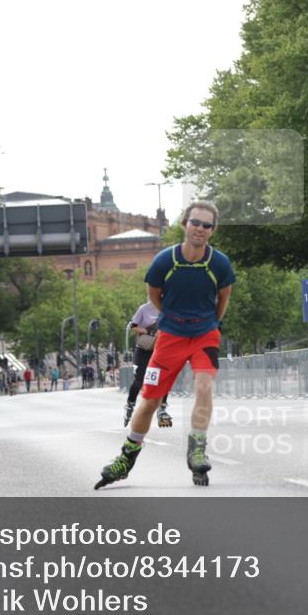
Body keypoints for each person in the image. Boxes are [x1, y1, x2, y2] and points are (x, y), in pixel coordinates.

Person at [95, 201, 235, 489]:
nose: (200, 229)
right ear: (184, 224)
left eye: (207, 225)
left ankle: (196, 448)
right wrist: (172, 318)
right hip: (170, 337)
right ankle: (126, 458)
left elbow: (223, 300)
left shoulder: (219, 263)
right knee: (149, 401)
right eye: (195, 222)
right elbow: (154, 296)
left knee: (204, 385)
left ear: (213, 230)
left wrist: (209, 323)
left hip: (205, 335)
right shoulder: (164, 261)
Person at [122, 300, 171, 428]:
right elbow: (133, 326)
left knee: (163, 379)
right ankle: (130, 404)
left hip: (160, 349)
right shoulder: (144, 308)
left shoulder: (167, 307)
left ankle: (162, 408)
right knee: (139, 380)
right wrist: (147, 331)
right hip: (144, 349)